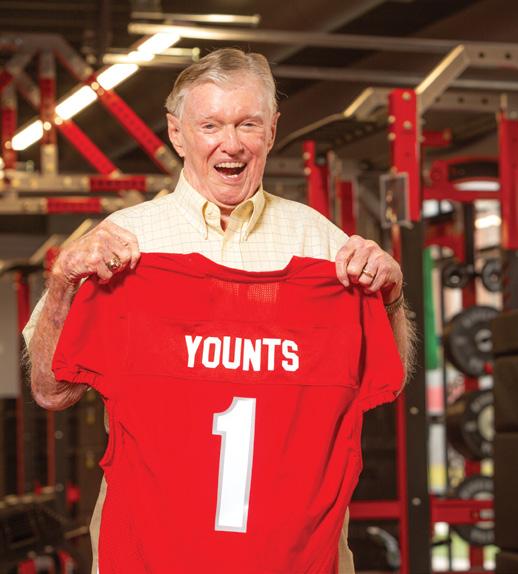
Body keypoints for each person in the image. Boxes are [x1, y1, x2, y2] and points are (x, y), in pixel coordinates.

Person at [25, 48, 414, 574]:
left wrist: (389, 297)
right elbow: (52, 391)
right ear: (177, 132)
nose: (231, 143)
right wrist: (63, 284)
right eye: (210, 125)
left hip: (295, 557)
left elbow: (388, 378)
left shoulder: (325, 246)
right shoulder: (121, 245)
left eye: (248, 124)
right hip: (151, 557)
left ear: (272, 131)